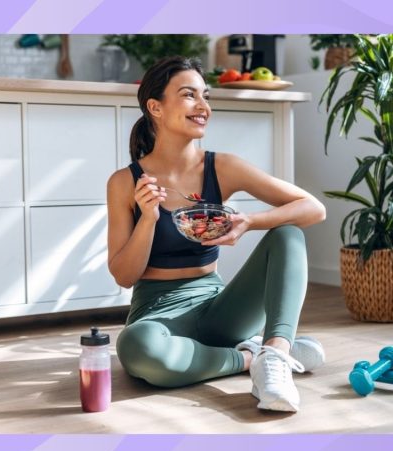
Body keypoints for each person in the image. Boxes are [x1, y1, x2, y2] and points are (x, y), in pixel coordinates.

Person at [107, 56, 327, 412]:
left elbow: (313, 208)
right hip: (156, 314)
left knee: (287, 233)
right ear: (155, 107)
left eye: (205, 96)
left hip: (221, 310)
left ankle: (276, 357)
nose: (204, 106)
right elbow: (124, 275)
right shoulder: (124, 182)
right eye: (189, 95)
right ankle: (248, 356)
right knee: (137, 348)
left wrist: (249, 222)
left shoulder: (221, 167)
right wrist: (147, 218)